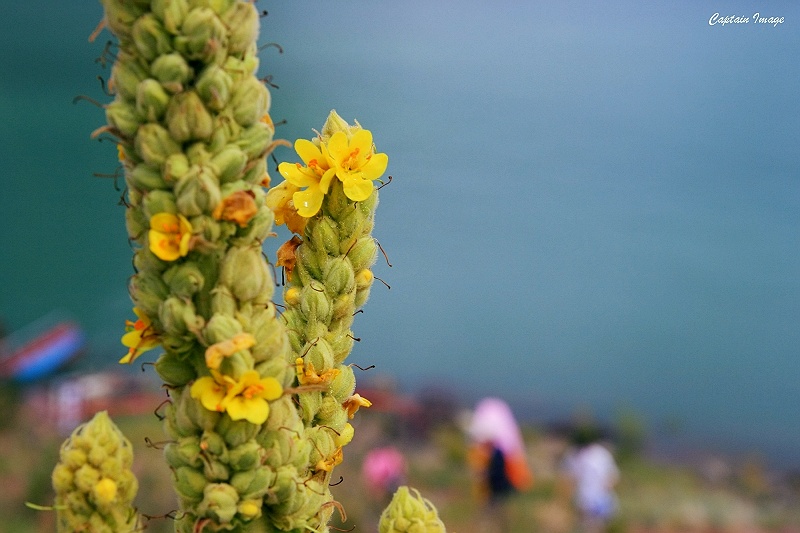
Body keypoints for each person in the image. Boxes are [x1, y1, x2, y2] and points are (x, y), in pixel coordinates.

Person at [467, 398, 534, 532]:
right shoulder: (497, 451)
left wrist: (485, 475)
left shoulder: (496, 453)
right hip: (494, 490)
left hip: (495, 489)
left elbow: (495, 473)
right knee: (493, 514)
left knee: (493, 513)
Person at [562, 427, 620, 533]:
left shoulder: (601, 454)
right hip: (584, 500)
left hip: (600, 500)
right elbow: (568, 478)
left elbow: (613, 476)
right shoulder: (574, 454)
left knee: (595, 527)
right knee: (588, 526)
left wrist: (605, 488)